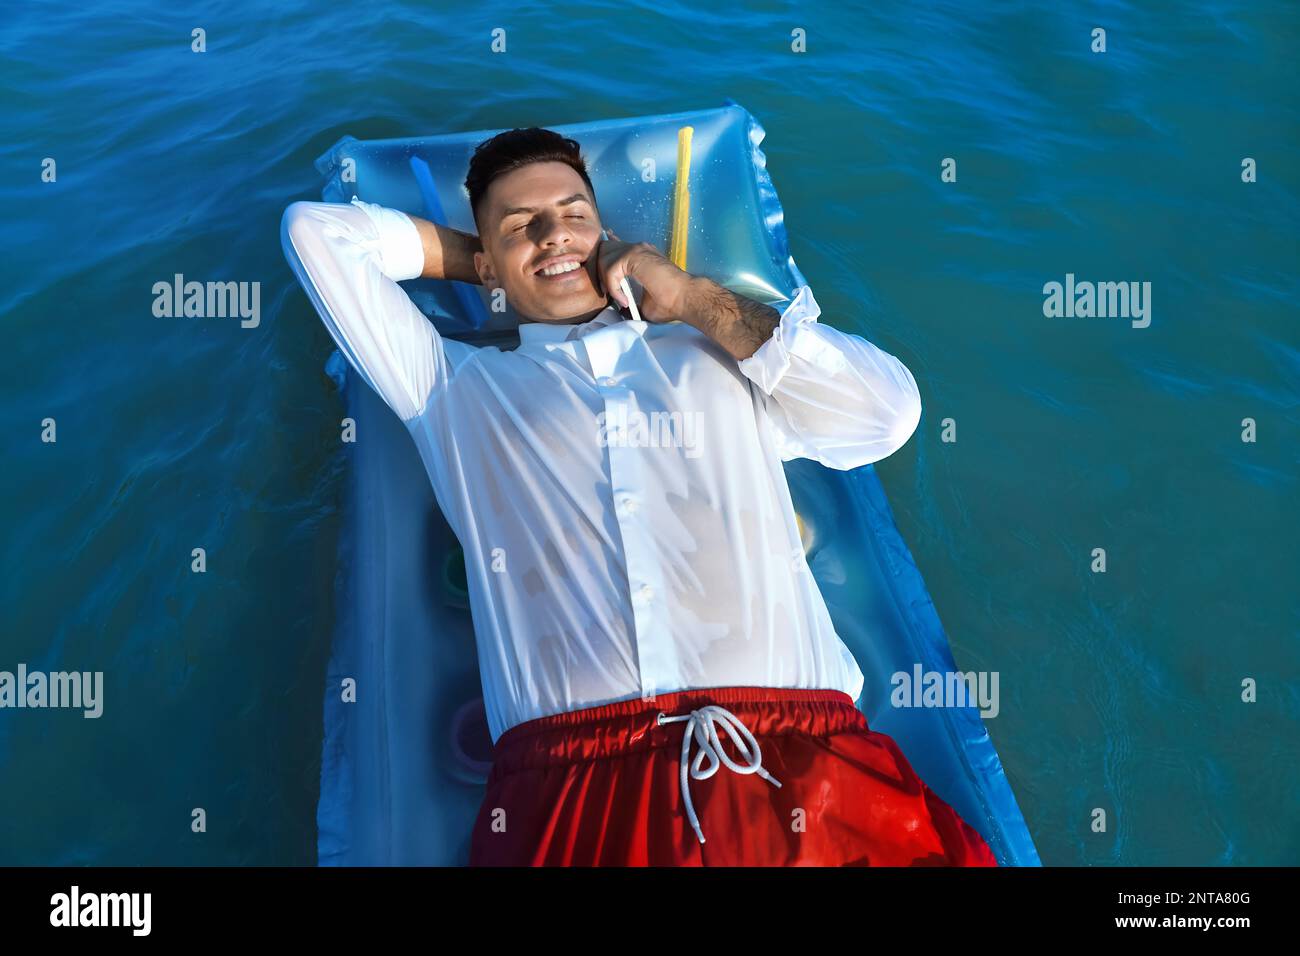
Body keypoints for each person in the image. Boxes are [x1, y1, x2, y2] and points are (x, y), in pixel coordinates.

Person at [280, 126, 997, 867]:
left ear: (610, 230)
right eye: (523, 222)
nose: (556, 231)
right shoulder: (450, 387)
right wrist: (502, 267)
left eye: (574, 214)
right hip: (574, 784)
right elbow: (316, 235)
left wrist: (689, 296)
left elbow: (886, 415)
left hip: (803, 761)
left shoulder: (719, 355)